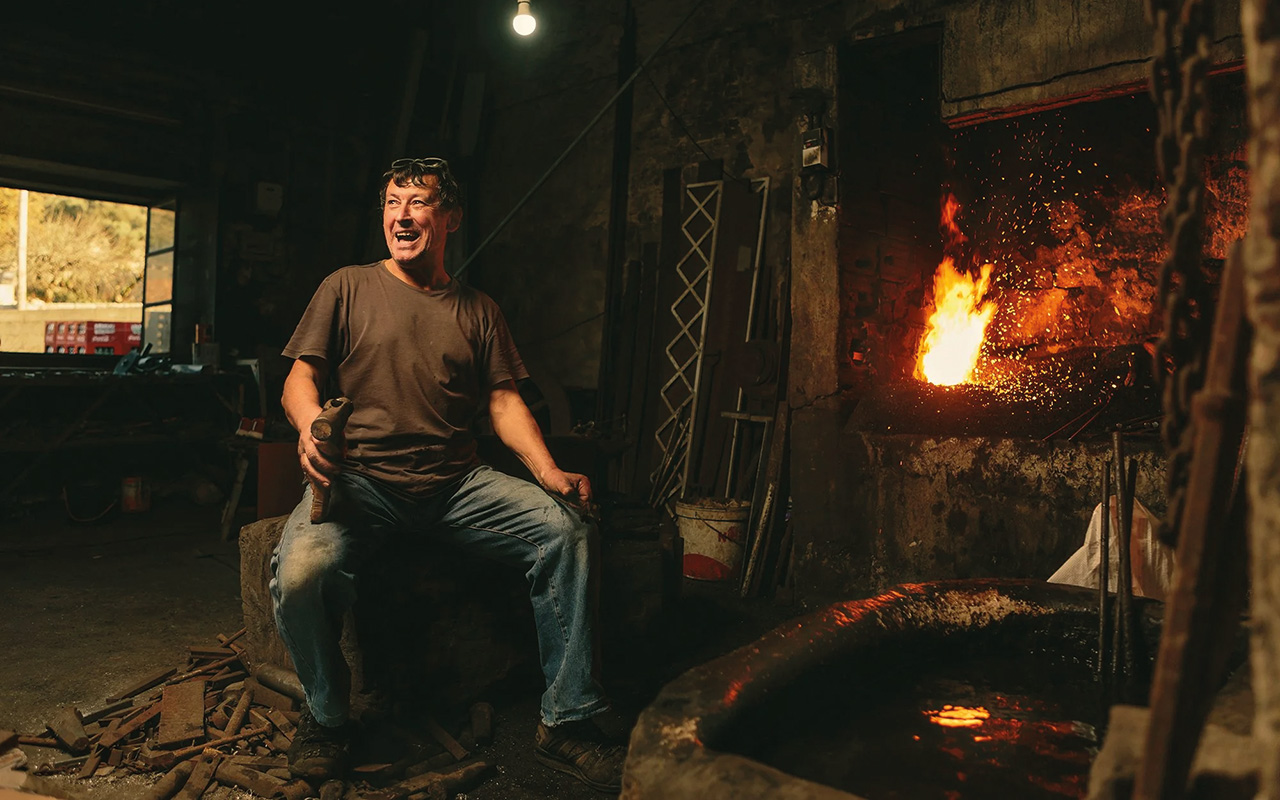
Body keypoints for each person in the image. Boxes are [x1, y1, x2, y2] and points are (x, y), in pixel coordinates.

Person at [270, 157, 626, 793]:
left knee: (566, 531)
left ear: (451, 218)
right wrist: (307, 428)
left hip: (458, 485)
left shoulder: (477, 310)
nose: (401, 216)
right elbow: (302, 376)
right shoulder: (346, 287)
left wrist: (548, 471)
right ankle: (327, 719)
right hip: (362, 483)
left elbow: (503, 401)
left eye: (418, 203)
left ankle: (566, 718)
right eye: (391, 203)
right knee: (300, 571)